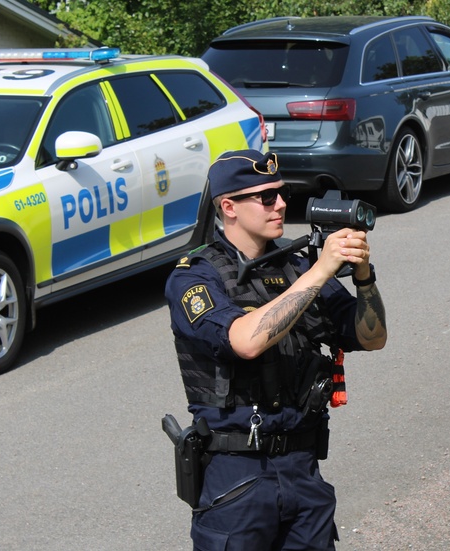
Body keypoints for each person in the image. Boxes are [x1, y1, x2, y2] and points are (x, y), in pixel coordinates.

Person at [165, 149, 387, 550]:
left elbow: (372, 337)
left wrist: (364, 275)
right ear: (229, 207)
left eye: (281, 193)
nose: (281, 204)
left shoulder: (295, 267)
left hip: (303, 468)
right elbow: (244, 341)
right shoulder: (195, 276)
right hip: (237, 478)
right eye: (266, 197)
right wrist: (322, 270)